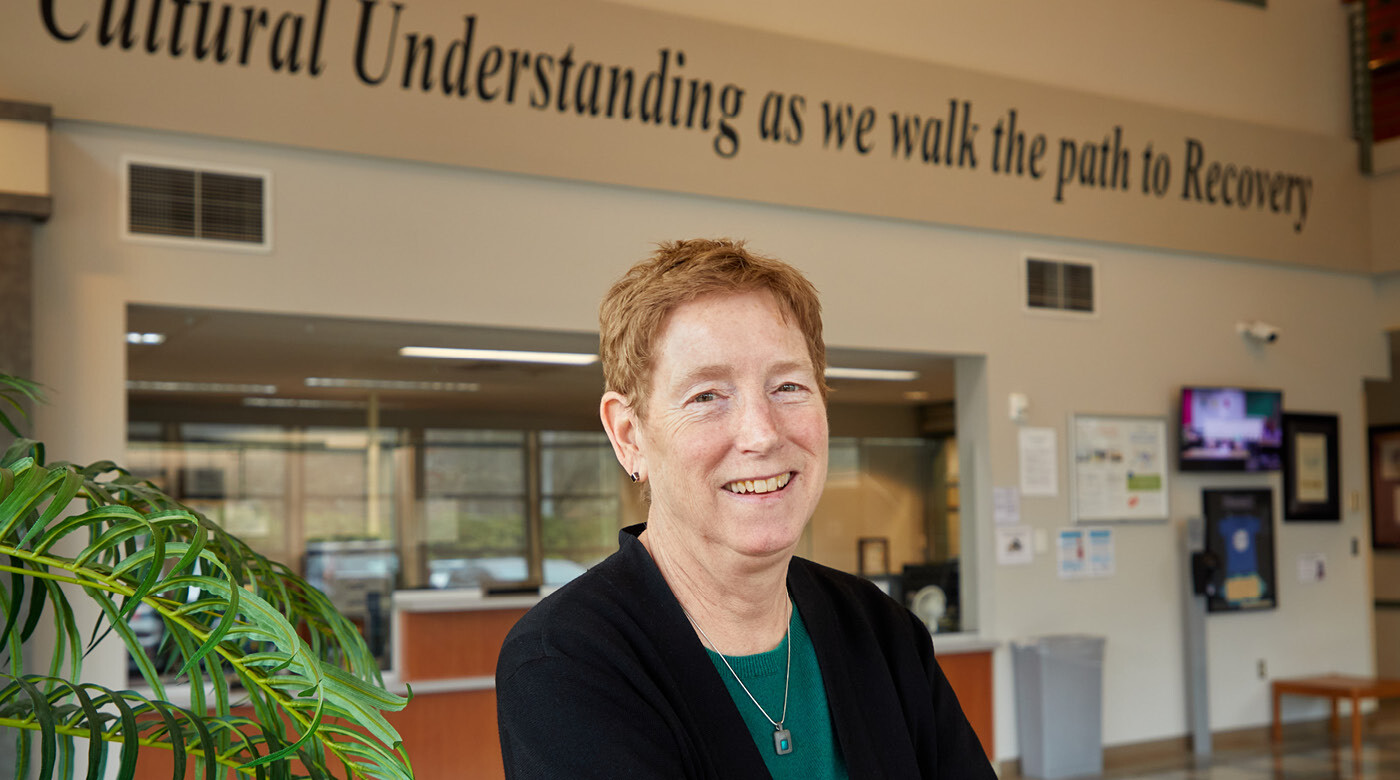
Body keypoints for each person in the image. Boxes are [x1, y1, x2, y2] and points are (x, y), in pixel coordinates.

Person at [496, 239, 995, 779]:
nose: (761, 434)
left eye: (787, 386)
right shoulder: (565, 661)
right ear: (628, 435)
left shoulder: (878, 628)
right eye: (707, 396)